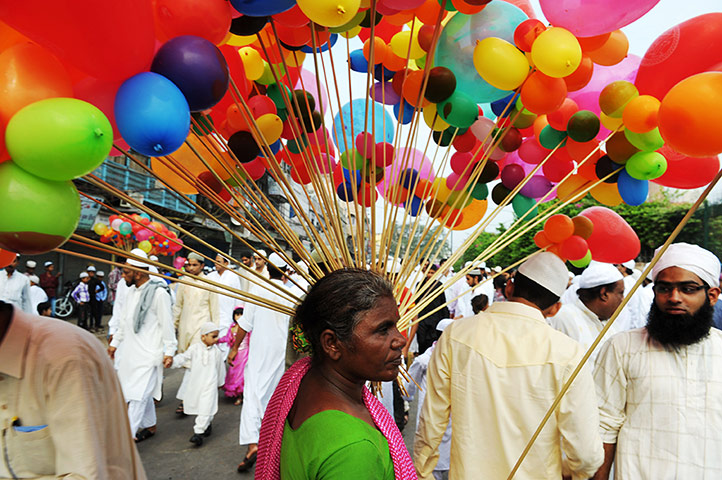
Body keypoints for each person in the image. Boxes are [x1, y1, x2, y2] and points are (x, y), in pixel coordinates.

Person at [414, 252, 604, 480]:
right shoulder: (568, 353)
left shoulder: (457, 335)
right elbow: (586, 453)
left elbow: (431, 422)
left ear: (510, 288)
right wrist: (568, 471)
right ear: (555, 308)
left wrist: (422, 473)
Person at [254, 268, 416, 480]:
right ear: (331, 343)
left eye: (395, 325)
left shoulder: (302, 383)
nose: (400, 340)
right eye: (383, 329)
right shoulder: (355, 448)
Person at [593, 243, 722, 479]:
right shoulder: (622, 348)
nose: (673, 298)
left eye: (688, 289)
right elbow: (603, 429)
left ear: (712, 295)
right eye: (664, 288)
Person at [0, 300, 147, 478]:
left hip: (144, 350)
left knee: (142, 394)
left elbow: (84, 474)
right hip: (129, 346)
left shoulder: (64, 358)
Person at [229, 252, 294, 473]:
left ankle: (253, 445)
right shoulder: (290, 294)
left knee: (253, 396)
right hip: (280, 355)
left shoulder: (257, 290)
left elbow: (245, 324)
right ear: (286, 272)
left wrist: (235, 347)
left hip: (259, 353)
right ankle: (273, 446)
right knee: (275, 397)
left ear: (268, 268)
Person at [108, 249, 177, 442]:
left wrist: (169, 351)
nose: (123, 276)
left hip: (149, 355)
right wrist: (115, 343)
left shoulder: (159, 293)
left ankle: (125, 443)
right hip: (130, 353)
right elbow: (124, 321)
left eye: (126, 272)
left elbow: (167, 325)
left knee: (137, 397)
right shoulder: (130, 291)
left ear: (138, 273)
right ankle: (150, 425)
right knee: (131, 393)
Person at [403, 318, 454, 480]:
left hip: (452, 419)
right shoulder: (424, 360)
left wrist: (408, 396)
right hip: (430, 415)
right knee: (431, 463)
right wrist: (407, 397)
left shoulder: (458, 358)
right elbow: (409, 383)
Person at [548, 261, 626, 362]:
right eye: (620, 293)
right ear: (604, 294)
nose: (623, 299)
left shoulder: (612, 325)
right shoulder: (563, 318)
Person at [169, 321, 226, 447]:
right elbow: (183, 357)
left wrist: (220, 382)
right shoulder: (194, 349)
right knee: (202, 407)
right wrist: (172, 362)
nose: (216, 339)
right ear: (203, 336)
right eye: (213, 336)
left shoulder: (216, 352)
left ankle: (198, 433)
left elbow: (220, 368)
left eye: (217, 336)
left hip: (210, 385)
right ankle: (207, 424)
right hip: (197, 383)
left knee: (206, 407)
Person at [173, 252, 214, 414]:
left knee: (193, 364)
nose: (190, 268)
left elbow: (214, 309)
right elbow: (178, 307)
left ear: (202, 266)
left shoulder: (210, 284)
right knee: (191, 365)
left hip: (202, 330)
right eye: (188, 265)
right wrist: (173, 327)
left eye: (194, 265)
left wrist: (215, 332)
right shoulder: (183, 282)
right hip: (185, 329)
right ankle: (192, 397)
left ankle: (185, 400)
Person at [208, 253, 242, 354]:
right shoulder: (210, 276)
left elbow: (238, 296)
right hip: (212, 315)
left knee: (224, 344)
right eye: (215, 261)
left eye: (219, 262)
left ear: (226, 263)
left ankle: (221, 365)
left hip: (227, 316)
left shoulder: (233, 277)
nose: (216, 264)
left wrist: (237, 317)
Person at [413, 264, 450, 354]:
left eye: (432, 273)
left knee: (432, 341)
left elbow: (443, 303)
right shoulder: (420, 285)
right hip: (422, 318)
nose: (429, 275)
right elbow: (416, 302)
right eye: (428, 272)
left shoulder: (438, 285)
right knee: (421, 341)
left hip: (435, 318)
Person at [219, 306, 248, 405]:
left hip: (246, 354)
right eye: (237, 314)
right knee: (234, 375)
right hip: (236, 355)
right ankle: (239, 395)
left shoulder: (248, 328)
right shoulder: (232, 328)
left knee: (243, 375)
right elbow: (227, 338)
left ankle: (242, 396)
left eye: (241, 314)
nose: (239, 317)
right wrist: (217, 340)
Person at [86, 265, 105, 332]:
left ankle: (95, 325)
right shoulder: (85, 279)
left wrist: (97, 291)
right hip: (86, 297)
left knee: (94, 312)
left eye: (93, 272)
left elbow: (102, 287)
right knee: (86, 312)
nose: (91, 274)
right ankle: (86, 325)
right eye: (90, 272)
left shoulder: (95, 280)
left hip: (93, 297)